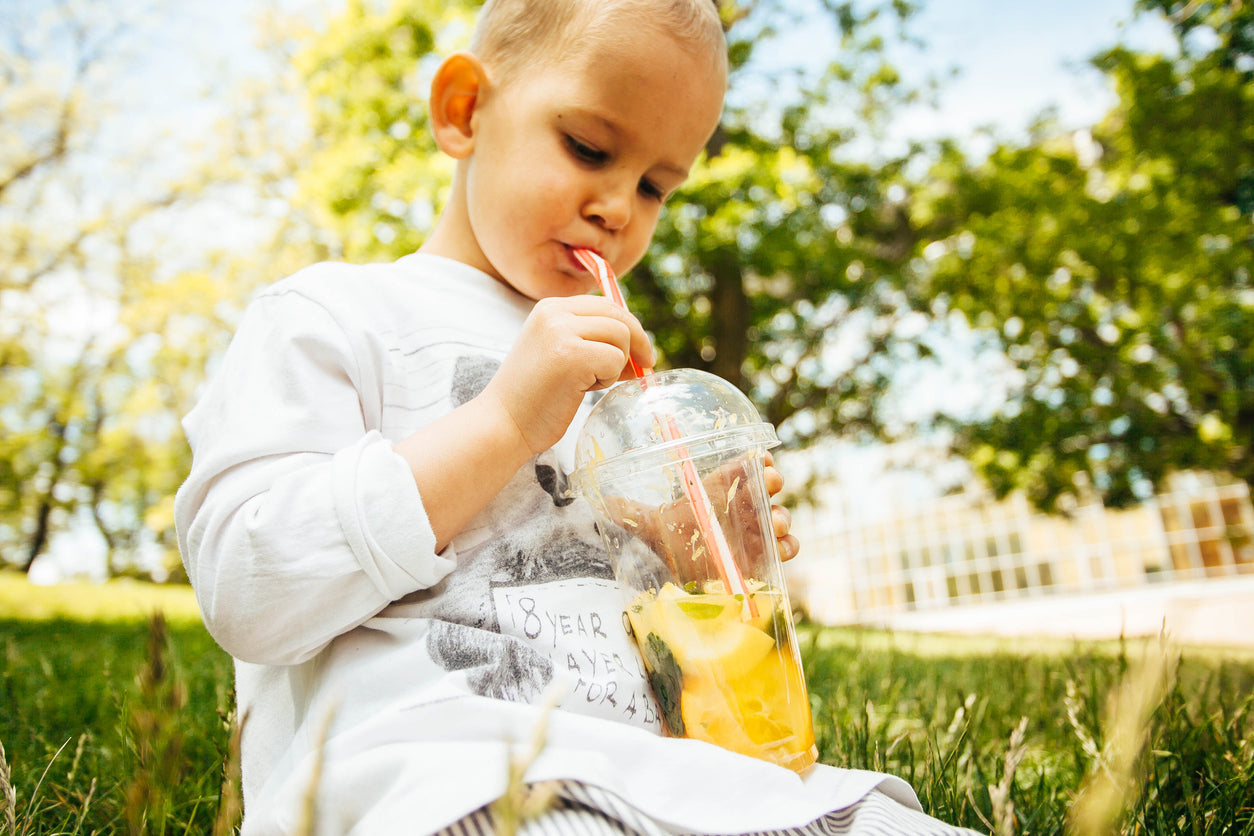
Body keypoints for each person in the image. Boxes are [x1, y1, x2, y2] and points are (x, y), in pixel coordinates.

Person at [175, 0, 984, 833]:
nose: (619, 207)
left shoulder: (620, 378)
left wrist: (690, 547)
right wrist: (505, 422)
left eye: (655, 186)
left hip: (687, 783)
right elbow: (248, 590)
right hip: (454, 776)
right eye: (589, 148)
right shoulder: (335, 316)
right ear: (464, 110)